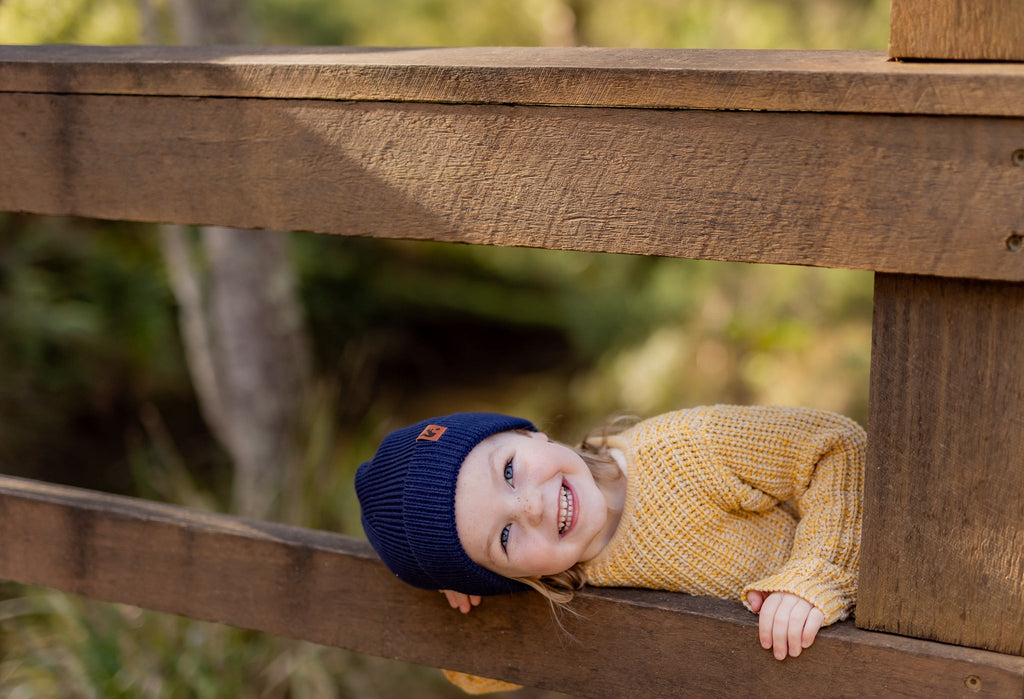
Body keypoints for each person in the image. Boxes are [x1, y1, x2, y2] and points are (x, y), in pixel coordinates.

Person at [356, 405, 864, 691]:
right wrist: (465, 588)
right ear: (511, 578)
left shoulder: (685, 448)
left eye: (509, 470)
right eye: (505, 536)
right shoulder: (559, 581)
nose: (530, 506)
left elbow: (834, 444)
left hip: (890, 623)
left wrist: (814, 575)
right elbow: (474, 674)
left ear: (525, 431)